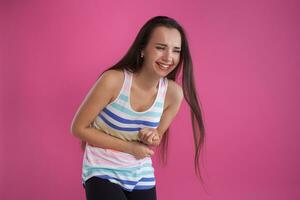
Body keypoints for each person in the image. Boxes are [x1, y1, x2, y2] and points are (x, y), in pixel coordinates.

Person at [70, 16, 206, 200]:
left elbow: (155, 138)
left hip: (139, 172)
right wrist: (130, 147)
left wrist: (152, 135)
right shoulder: (114, 80)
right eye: (160, 47)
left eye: (176, 50)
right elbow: (78, 128)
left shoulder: (173, 94)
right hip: (101, 168)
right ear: (143, 49)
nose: (168, 57)